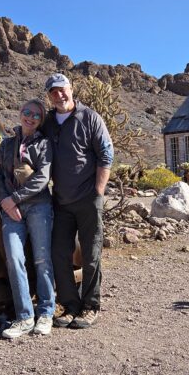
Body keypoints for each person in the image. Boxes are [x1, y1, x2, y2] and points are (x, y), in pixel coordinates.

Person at [42, 73, 113, 329]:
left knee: (91, 254)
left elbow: (106, 154)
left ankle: (91, 305)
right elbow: (27, 140)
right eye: (53, 92)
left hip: (87, 199)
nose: (59, 95)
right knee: (59, 253)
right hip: (61, 200)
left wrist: (98, 191)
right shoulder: (48, 122)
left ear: (71, 89)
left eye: (62, 90)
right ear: (49, 97)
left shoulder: (90, 118)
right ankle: (70, 305)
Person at [0, 99, 56, 338]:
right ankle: (24, 317)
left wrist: (15, 199)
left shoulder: (44, 145)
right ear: (20, 113)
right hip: (11, 209)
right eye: (26, 112)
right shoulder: (7, 144)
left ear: (41, 121)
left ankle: (46, 312)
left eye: (36, 115)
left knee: (42, 259)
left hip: (38, 206)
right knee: (14, 259)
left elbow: (42, 178)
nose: (30, 117)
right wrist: (5, 202)